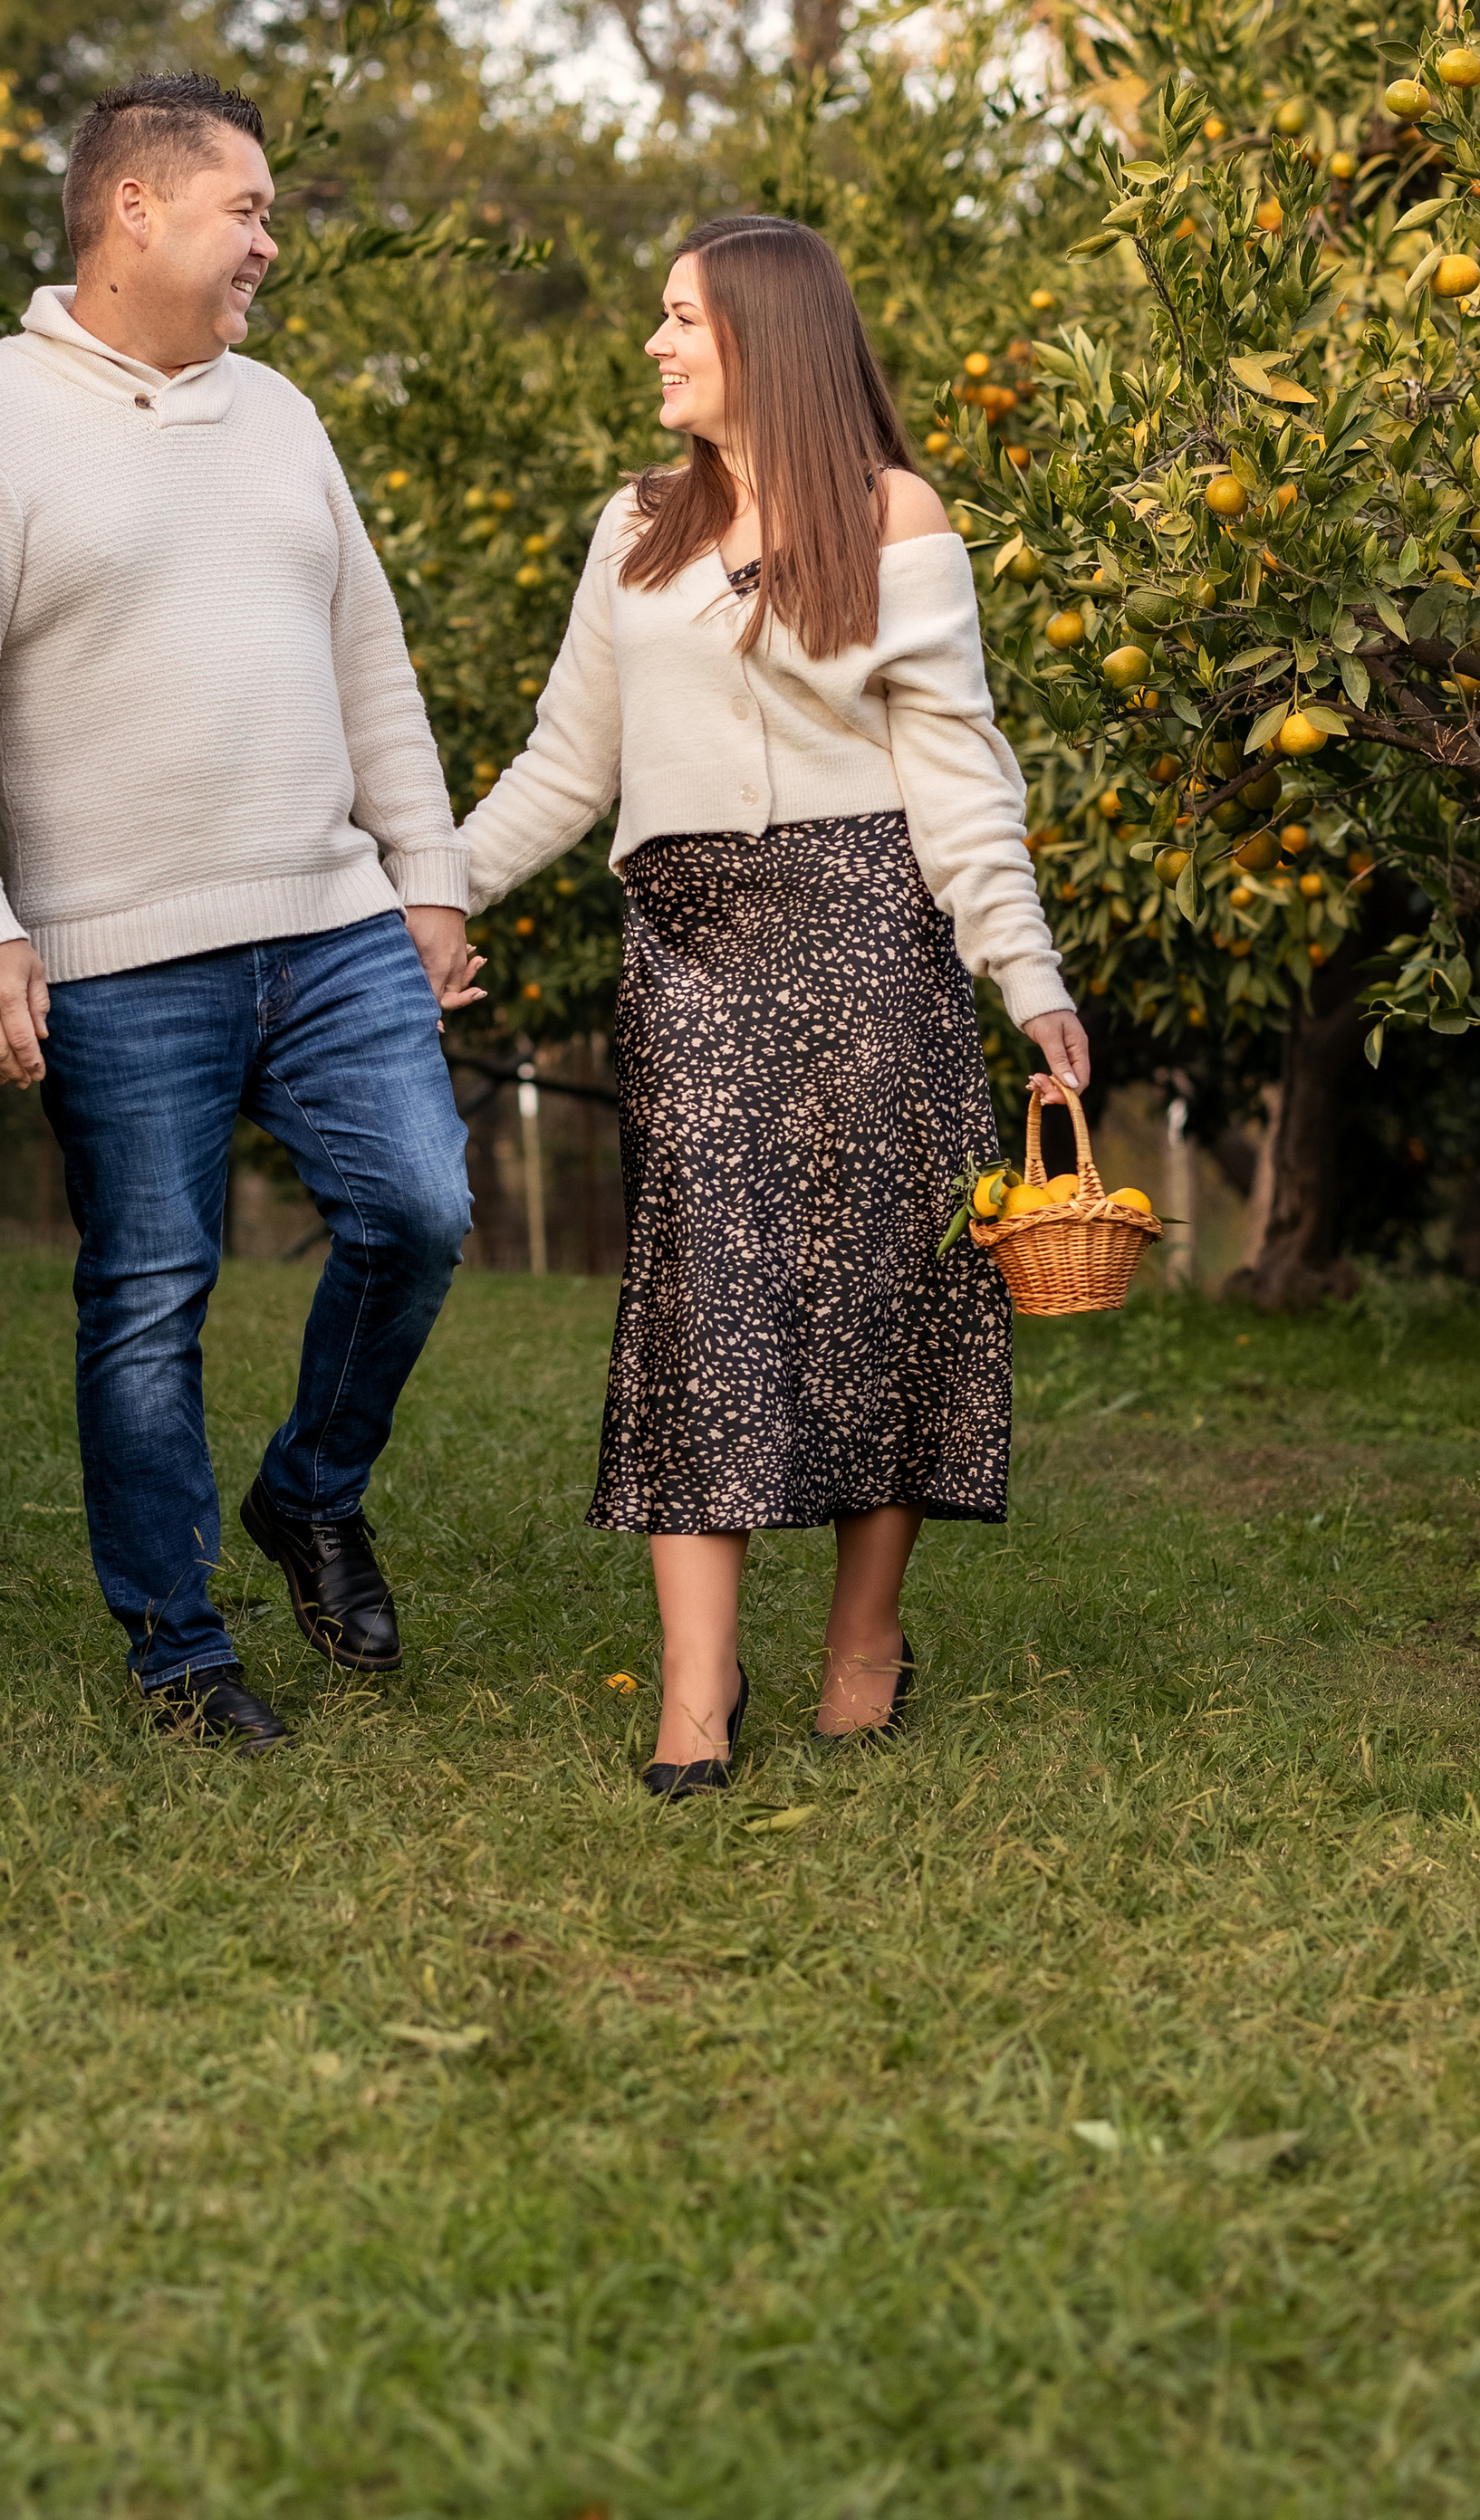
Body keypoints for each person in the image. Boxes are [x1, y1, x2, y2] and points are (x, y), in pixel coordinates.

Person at [0, 70, 483, 1753]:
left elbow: (374, 660)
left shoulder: (281, 414)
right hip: (115, 946)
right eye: (249, 209)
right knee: (151, 1292)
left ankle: (308, 1493)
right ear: (134, 209)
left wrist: (424, 876)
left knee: (420, 1210)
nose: (269, 246)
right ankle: (179, 1650)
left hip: (329, 913)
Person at [461, 215, 1087, 1798]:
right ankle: (694, 1690)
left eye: (682, 318)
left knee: (891, 1290)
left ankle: (864, 1650)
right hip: (690, 953)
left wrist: (1027, 972)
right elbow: (565, 763)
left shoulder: (895, 517)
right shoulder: (635, 530)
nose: (656, 344)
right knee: (701, 1299)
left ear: (765, 335)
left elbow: (957, 771)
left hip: (874, 931)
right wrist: (437, 892)